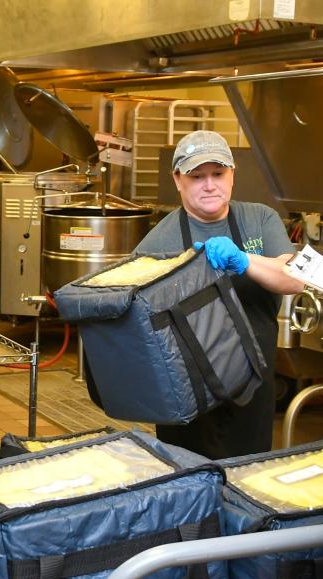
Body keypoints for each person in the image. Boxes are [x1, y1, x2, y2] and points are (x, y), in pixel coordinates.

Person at [133, 130, 302, 459]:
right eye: (197, 176)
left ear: (232, 174)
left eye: (218, 174)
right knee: (187, 477)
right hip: (187, 388)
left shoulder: (259, 218)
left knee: (247, 471)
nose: (210, 185)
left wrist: (242, 260)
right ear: (177, 180)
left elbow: (294, 278)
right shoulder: (156, 244)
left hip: (254, 381)